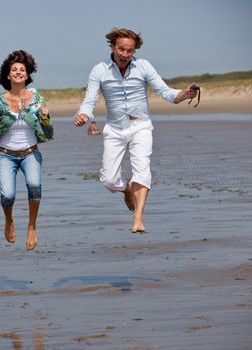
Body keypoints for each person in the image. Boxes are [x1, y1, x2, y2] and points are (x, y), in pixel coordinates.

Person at [74, 28, 200, 233]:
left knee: (142, 170)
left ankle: (138, 219)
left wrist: (184, 94)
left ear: (135, 50)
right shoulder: (99, 70)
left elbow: (166, 92)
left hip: (140, 126)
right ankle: (126, 190)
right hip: (114, 129)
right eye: (121, 49)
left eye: (129, 51)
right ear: (112, 47)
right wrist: (83, 116)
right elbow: (89, 101)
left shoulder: (143, 66)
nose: (125, 55)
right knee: (108, 180)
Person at [0, 49, 53, 250]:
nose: (18, 72)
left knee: (34, 185)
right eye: (14, 69)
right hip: (6, 155)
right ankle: (9, 220)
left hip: (30, 152)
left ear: (27, 74)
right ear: (8, 75)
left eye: (22, 69)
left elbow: (48, 133)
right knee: (8, 196)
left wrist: (46, 118)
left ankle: (32, 226)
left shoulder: (37, 99)